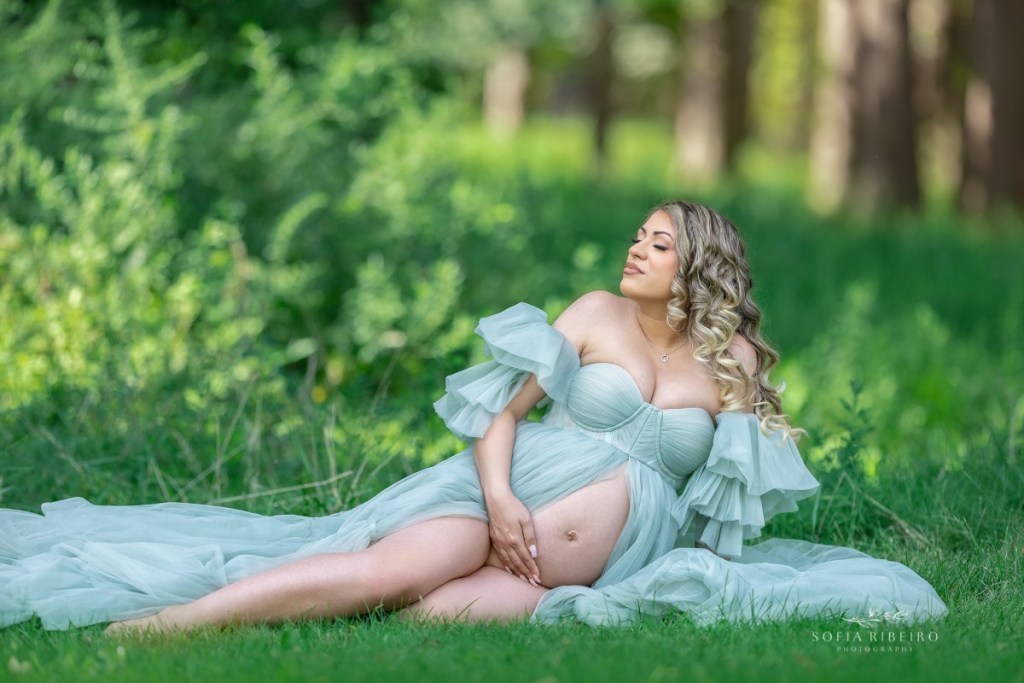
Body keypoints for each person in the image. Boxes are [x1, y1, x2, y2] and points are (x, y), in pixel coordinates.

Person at [0, 201, 948, 632]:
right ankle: (164, 628)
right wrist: (498, 498)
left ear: (698, 264)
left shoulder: (731, 361)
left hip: (577, 574)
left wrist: (676, 562)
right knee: (384, 572)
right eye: (636, 235)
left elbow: (729, 494)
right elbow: (500, 408)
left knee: (430, 622)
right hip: (509, 496)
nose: (635, 249)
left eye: (657, 243)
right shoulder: (590, 312)